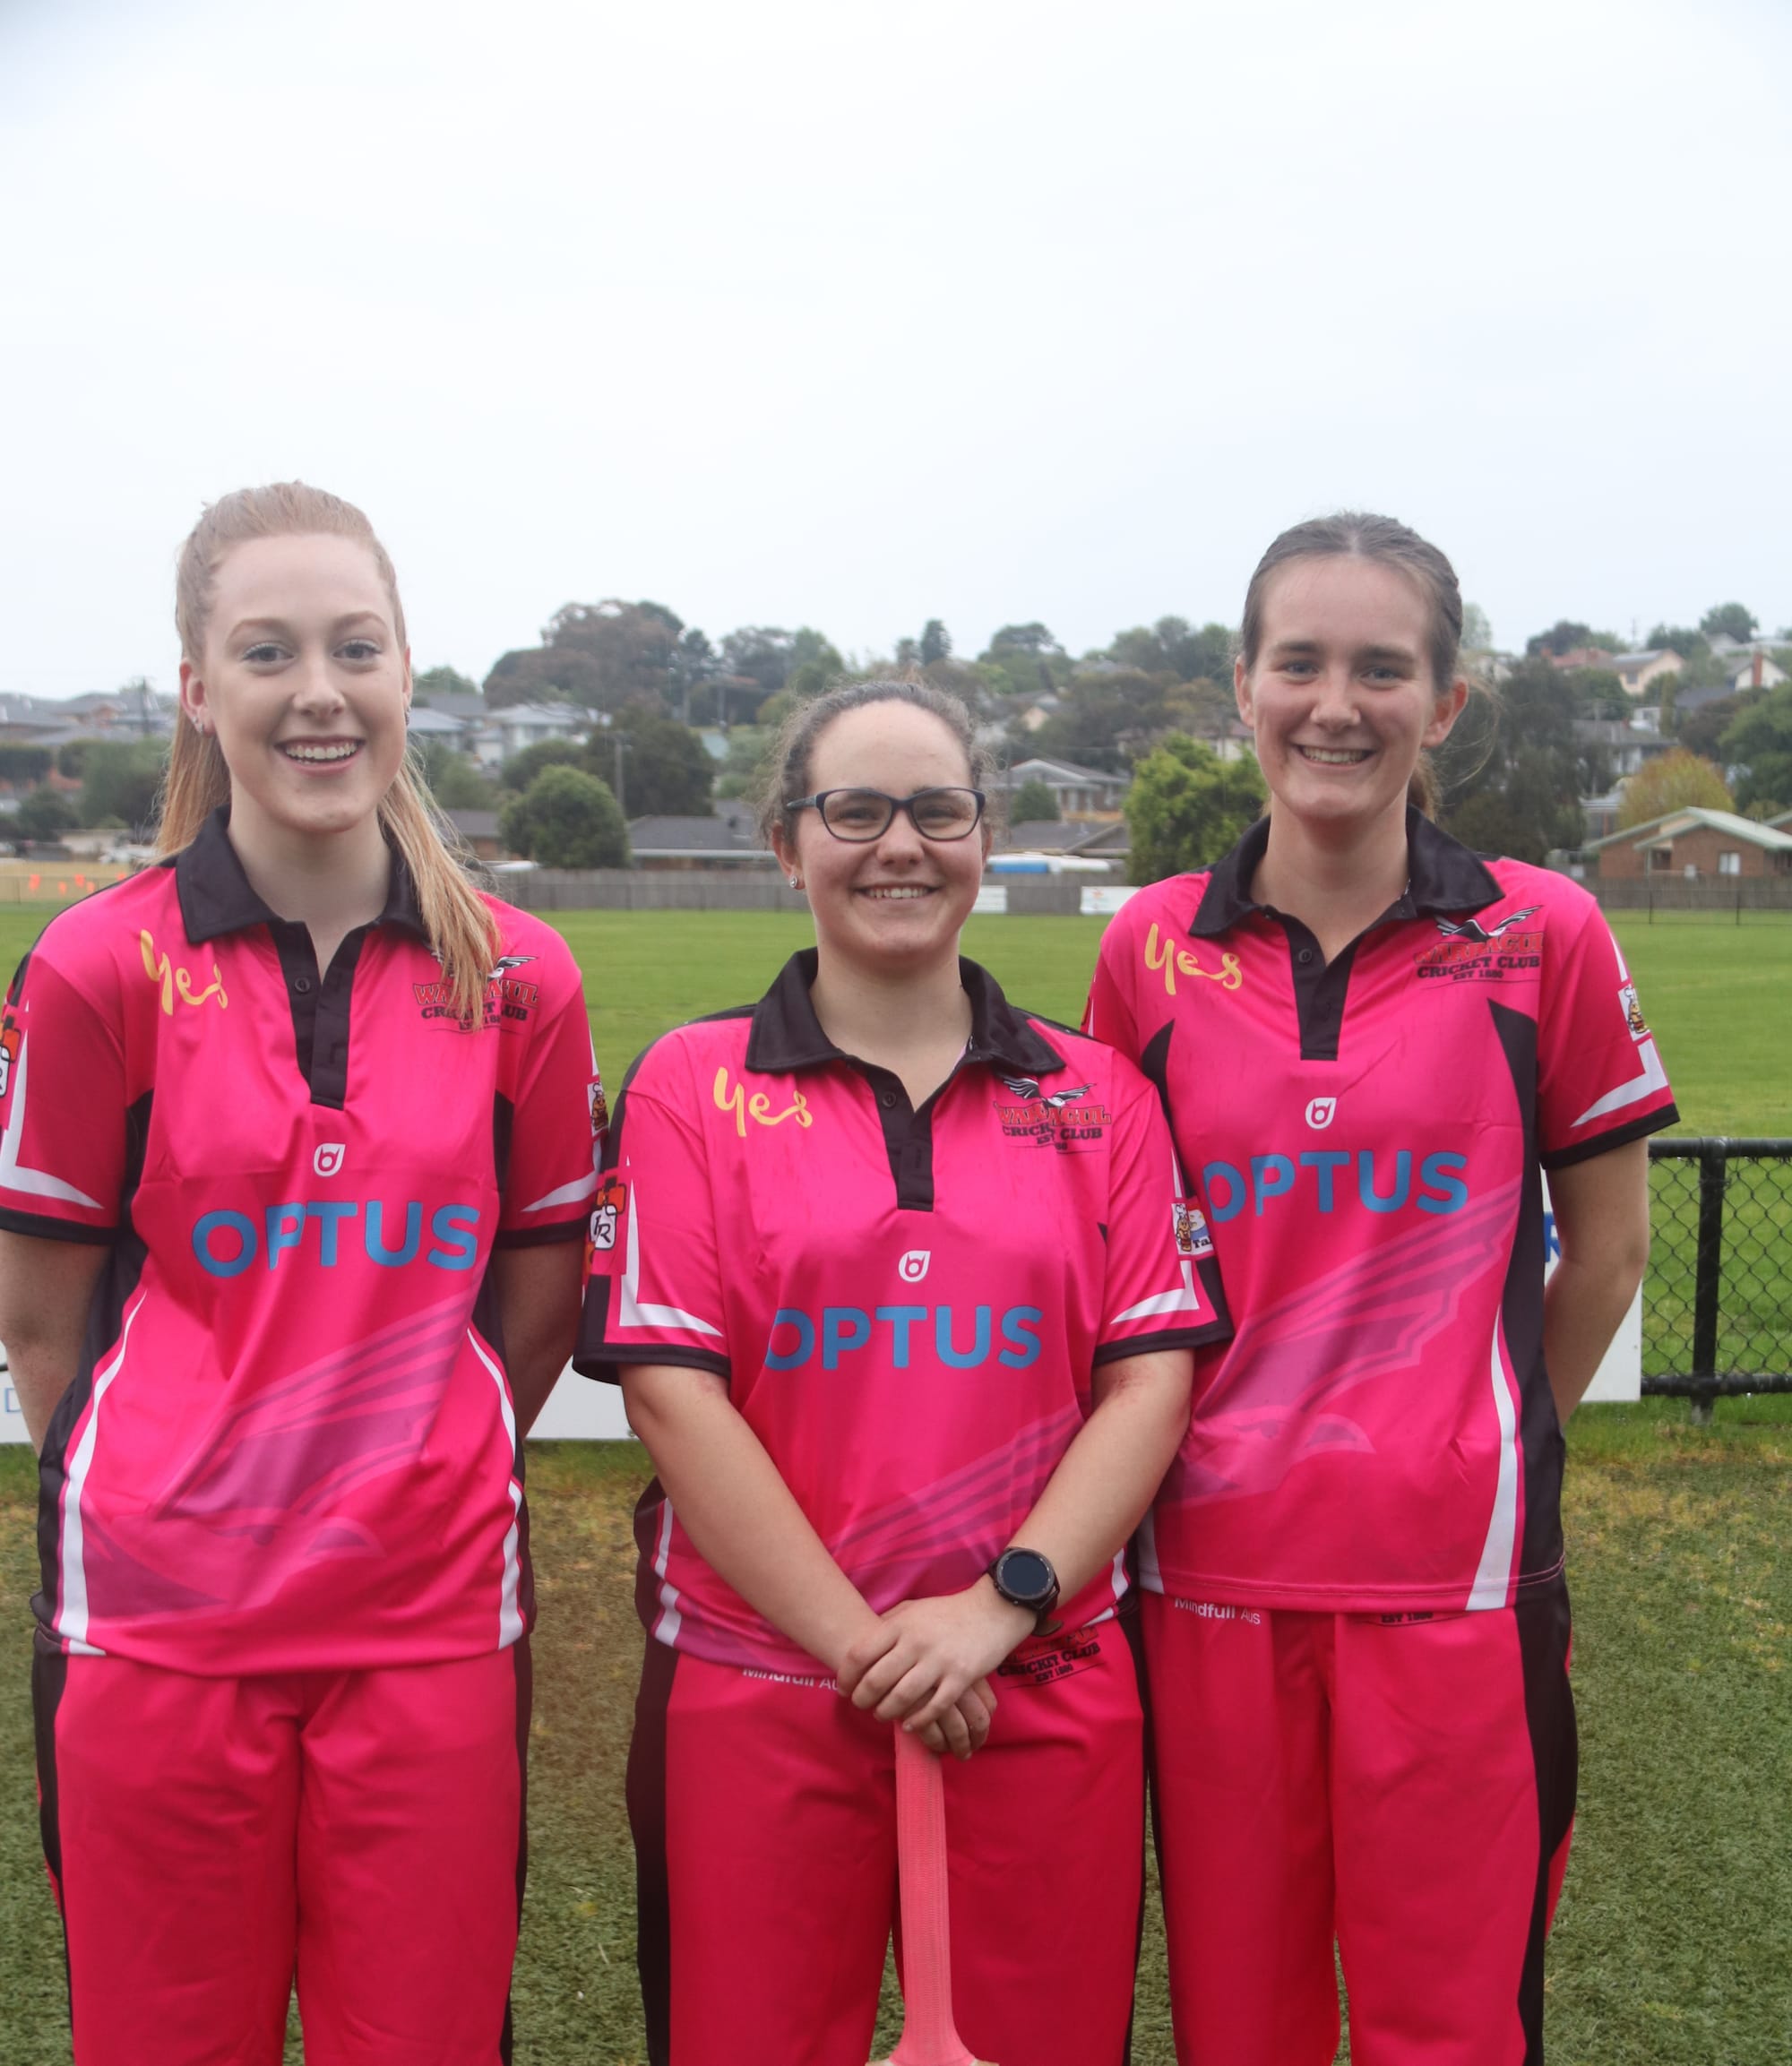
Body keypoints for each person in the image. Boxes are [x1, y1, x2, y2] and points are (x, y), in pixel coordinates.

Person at [0, 483, 600, 2066]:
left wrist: (421, 1455)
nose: (318, 691)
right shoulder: (95, 964)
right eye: (267, 652)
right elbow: (42, 1319)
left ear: (406, 671)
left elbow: (540, 1296)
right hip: (155, 1636)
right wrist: (171, 1498)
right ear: (199, 688)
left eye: (356, 647)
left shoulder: (520, 975)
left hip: (430, 1623)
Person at [1086, 512, 1679, 2066]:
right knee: (1242, 2026)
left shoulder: (1543, 930)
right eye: (1300, 662)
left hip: (1459, 1586)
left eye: (1382, 667)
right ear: (1243, 685)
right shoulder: (1150, 947)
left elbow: (1609, 1246)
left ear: (1446, 701)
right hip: (1205, 1575)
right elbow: (1124, 1263)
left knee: (1453, 2028)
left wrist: (1491, 1437)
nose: (1336, 704)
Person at [575, 678, 1228, 2066]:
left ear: (984, 836)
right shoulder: (688, 1085)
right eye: (855, 810)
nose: (900, 846)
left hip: (1035, 1677)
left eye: (937, 810)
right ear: (785, 842)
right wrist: (871, 1651)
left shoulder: (1102, 1094)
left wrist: (997, 1608)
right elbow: (673, 1393)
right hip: (760, 1683)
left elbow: (1150, 1383)